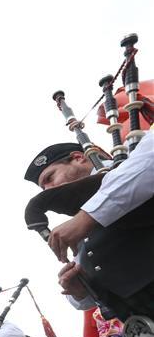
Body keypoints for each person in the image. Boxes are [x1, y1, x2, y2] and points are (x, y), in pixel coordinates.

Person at [24, 135, 154, 322]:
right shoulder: (77, 224)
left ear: (78, 157)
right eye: (43, 188)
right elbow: (86, 302)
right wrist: (79, 291)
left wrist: (88, 216)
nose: (49, 189)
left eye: (50, 177)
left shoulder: (130, 161)